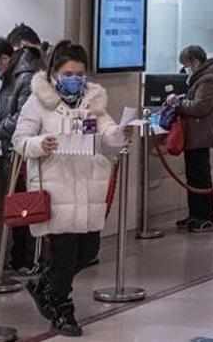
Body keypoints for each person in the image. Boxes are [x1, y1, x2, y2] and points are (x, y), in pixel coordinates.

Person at [14, 40, 128, 337]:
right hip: (56, 189)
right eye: (68, 73)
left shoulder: (93, 102)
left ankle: (44, 285)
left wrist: (120, 132)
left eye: (79, 73)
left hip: (88, 189)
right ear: (54, 72)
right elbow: (20, 140)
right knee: (64, 255)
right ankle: (62, 309)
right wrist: (41, 144)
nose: (74, 79)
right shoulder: (37, 102)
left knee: (88, 250)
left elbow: (108, 132)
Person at [0, 35, 41, 275]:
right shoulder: (13, 76)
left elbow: (22, 120)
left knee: (25, 207)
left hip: (23, 154)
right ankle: (19, 259)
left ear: (5, 58)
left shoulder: (24, 77)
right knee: (19, 207)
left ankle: (26, 259)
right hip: (13, 151)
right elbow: (9, 111)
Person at [168, 46, 213, 233]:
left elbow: (200, 107)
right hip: (195, 135)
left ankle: (207, 217)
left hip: (203, 135)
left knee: (201, 177)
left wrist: (179, 103)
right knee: (193, 177)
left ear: (194, 61)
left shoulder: (210, 79)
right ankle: (195, 215)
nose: (185, 68)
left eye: (186, 64)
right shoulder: (202, 78)